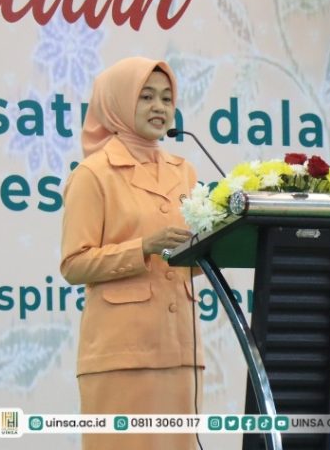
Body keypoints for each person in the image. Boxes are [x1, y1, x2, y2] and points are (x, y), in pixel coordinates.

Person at [60, 56, 204, 450]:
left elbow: (192, 257)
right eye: (146, 97)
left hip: (180, 350)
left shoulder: (185, 171)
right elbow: (74, 264)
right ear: (118, 102)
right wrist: (143, 247)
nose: (160, 108)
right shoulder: (94, 173)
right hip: (121, 354)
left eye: (166, 98)